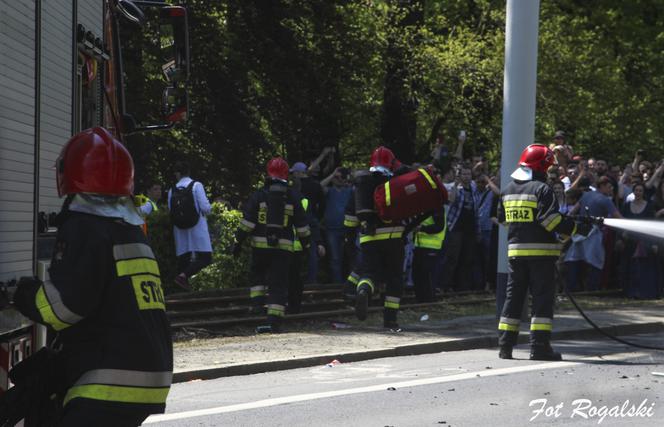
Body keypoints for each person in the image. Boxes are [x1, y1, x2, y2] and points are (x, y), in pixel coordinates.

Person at [12, 127, 173, 426]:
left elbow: (63, 308)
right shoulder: (131, 230)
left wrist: (20, 293)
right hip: (147, 373)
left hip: (108, 379)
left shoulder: (85, 227)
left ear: (67, 173)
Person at [497, 144, 589, 361]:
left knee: (513, 299)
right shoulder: (542, 189)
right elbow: (550, 220)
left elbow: (502, 220)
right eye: (547, 167)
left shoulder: (508, 189)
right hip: (541, 255)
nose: (548, 171)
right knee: (542, 300)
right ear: (539, 167)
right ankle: (539, 347)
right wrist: (575, 228)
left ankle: (505, 346)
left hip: (515, 254)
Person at [233, 157, 310, 332]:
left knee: (257, 275)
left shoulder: (259, 195)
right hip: (283, 249)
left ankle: (257, 307)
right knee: (278, 283)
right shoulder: (292, 196)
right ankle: (273, 319)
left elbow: (247, 222)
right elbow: (302, 226)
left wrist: (238, 241)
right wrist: (306, 245)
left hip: (259, 247)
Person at [345, 146, 410, 330]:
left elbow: (350, 216)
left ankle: (364, 290)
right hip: (395, 237)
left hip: (369, 238)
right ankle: (390, 321)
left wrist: (349, 239)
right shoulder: (396, 183)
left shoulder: (361, 183)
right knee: (394, 279)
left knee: (369, 274)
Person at [564, 176, 621, 291]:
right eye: (609, 187)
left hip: (580, 230)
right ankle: (592, 288)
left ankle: (572, 287)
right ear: (603, 186)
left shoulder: (586, 195)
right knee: (596, 260)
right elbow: (618, 217)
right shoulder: (605, 200)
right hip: (593, 232)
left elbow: (571, 212)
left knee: (574, 258)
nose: (611, 190)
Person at [168, 161, 213, 290]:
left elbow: (171, 211)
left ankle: (181, 291)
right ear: (188, 172)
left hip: (180, 229)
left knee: (184, 259)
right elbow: (205, 208)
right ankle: (183, 276)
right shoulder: (196, 185)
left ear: (177, 174)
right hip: (197, 227)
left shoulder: (172, 190)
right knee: (205, 258)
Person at [619, 182, 661, 299]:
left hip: (644, 242)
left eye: (640, 191)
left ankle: (645, 293)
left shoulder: (649, 206)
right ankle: (630, 292)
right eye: (636, 190)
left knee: (644, 269)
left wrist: (653, 243)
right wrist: (622, 237)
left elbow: (652, 225)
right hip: (630, 241)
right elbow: (623, 223)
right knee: (630, 268)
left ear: (643, 193)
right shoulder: (627, 205)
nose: (638, 193)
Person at [441, 166, 480, 291]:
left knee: (467, 258)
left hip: (470, 229)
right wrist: (455, 185)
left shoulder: (474, 187)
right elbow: (451, 200)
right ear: (459, 175)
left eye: (469, 174)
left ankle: (462, 287)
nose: (467, 176)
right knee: (453, 257)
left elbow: (476, 209)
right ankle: (445, 285)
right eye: (464, 174)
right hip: (456, 228)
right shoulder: (455, 187)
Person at [290, 160, 325, 283]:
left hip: (290, 234)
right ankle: (312, 282)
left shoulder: (287, 197)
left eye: (293, 173)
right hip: (309, 228)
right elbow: (322, 205)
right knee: (312, 257)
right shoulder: (315, 186)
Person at [320, 166, 354, 283]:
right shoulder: (329, 191)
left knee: (351, 256)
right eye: (336, 177)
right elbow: (320, 186)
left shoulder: (350, 191)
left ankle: (351, 282)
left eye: (340, 177)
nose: (338, 179)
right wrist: (333, 173)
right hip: (331, 230)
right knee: (335, 258)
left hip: (347, 228)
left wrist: (350, 176)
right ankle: (337, 283)